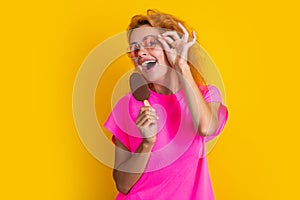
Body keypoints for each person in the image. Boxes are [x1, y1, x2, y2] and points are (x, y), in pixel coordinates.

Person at [104, 9, 228, 200]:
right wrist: (146, 143)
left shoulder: (205, 95)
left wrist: (182, 66)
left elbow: (206, 127)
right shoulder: (127, 105)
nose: (141, 53)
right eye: (135, 48)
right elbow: (122, 184)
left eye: (150, 44)